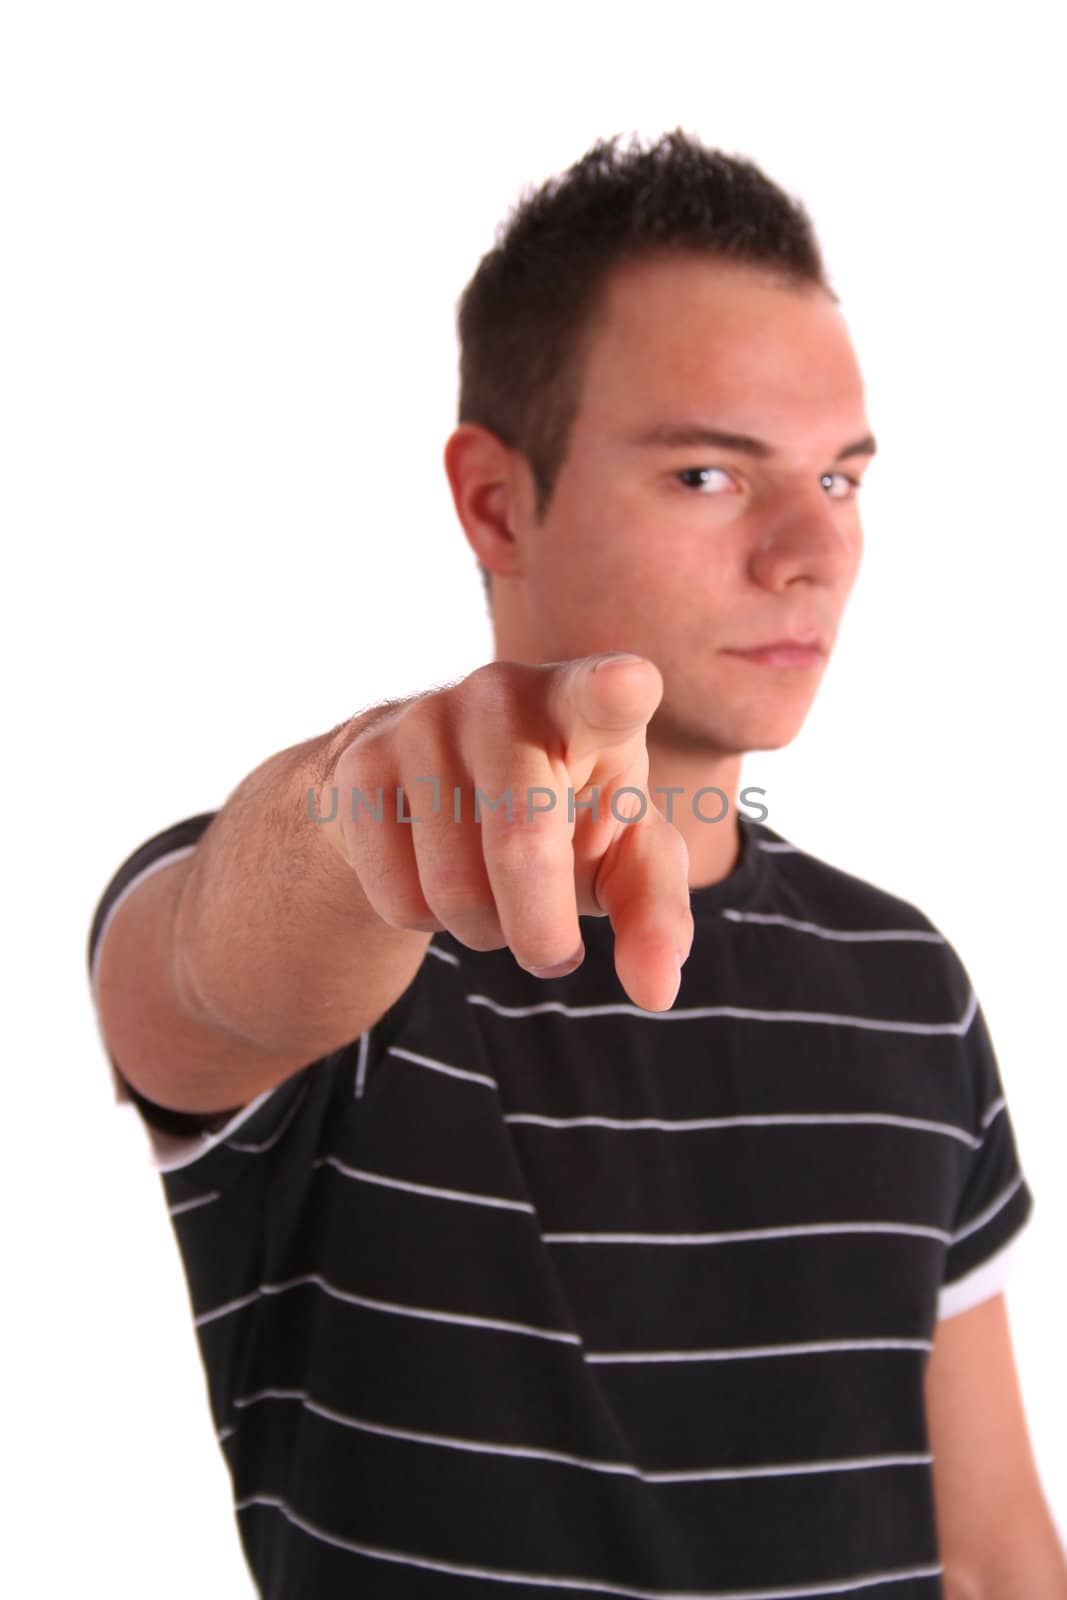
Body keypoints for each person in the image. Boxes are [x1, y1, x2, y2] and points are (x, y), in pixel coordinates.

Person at [87, 132, 1066, 1597]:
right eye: (707, 474)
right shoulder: (346, 916)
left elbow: (995, 1560)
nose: (813, 551)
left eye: (844, 481)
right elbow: (193, 969)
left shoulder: (908, 981)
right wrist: (364, 816)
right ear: (495, 503)